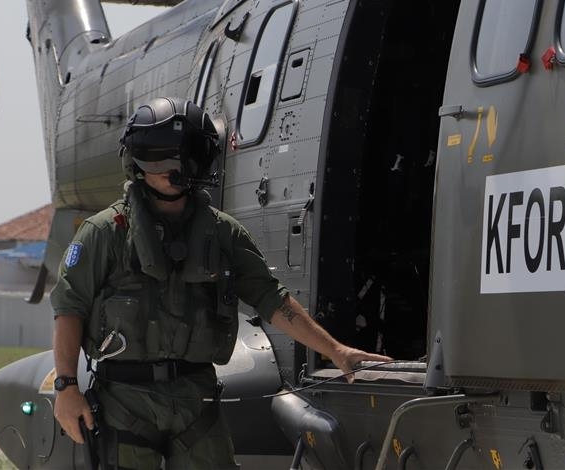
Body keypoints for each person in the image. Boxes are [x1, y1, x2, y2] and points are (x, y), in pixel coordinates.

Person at [51, 97, 391, 469]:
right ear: (137, 161)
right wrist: (66, 387)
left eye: (186, 154)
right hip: (124, 399)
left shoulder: (223, 233)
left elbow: (272, 300)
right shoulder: (105, 233)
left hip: (196, 397)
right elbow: (69, 309)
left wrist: (337, 351)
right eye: (159, 157)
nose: (175, 167)